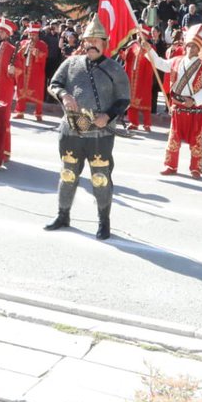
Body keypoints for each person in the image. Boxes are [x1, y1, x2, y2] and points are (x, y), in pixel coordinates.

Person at [43, 16, 129, 240]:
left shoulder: (114, 69)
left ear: (104, 43)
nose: (91, 43)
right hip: (71, 130)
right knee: (68, 173)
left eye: (96, 40)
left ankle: (104, 222)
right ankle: (63, 215)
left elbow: (123, 100)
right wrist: (63, 94)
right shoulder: (71, 63)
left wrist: (108, 115)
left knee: (100, 177)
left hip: (100, 134)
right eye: (87, 39)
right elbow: (54, 84)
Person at [146, 24, 202, 177]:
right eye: (189, 46)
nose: (192, 49)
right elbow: (160, 63)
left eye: (195, 47)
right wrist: (148, 49)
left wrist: (194, 100)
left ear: (199, 49)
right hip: (178, 107)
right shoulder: (176, 61)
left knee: (196, 140)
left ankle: (196, 168)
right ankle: (170, 165)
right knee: (173, 139)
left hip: (194, 109)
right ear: (185, 46)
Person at [121, 28, 156, 131]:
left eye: (140, 34)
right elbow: (126, 59)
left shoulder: (150, 47)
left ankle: (147, 124)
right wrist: (123, 52)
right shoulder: (132, 46)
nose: (138, 36)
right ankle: (133, 123)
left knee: (145, 100)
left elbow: (152, 61)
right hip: (132, 77)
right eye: (137, 34)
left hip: (143, 77)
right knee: (131, 101)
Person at [13, 22, 49, 121]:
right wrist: (22, 50)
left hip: (36, 72)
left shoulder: (42, 44)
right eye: (30, 34)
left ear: (37, 35)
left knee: (37, 91)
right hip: (24, 71)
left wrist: (35, 52)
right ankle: (20, 112)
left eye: (33, 35)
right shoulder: (23, 43)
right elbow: (17, 56)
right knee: (21, 91)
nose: (31, 36)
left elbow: (44, 56)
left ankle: (38, 113)